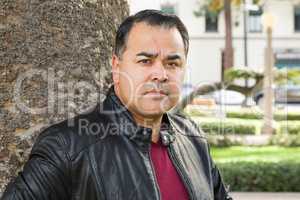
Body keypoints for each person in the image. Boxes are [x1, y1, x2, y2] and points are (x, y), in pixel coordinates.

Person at [2, 9, 232, 200]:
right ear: (117, 67)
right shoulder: (66, 147)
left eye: (172, 63)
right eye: (145, 61)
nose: (160, 74)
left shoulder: (194, 138)